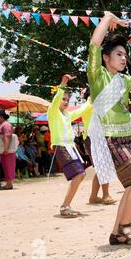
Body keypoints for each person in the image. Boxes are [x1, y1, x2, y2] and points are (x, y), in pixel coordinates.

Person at [88, 13, 131, 245]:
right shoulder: (97, 76)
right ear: (105, 58)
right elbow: (94, 44)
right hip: (112, 138)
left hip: (130, 136)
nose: (123, 58)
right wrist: (107, 18)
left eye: (125, 55)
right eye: (118, 54)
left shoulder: (124, 81)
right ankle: (126, 224)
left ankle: (117, 232)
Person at [48, 74, 91, 217]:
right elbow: (56, 100)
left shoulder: (67, 115)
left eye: (67, 99)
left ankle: (66, 205)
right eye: (63, 99)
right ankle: (65, 206)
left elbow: (82, 110)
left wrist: (91, 98)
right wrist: (63, 82)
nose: (66, 102)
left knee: (81, 175)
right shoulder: (53, 111)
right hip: (61, 146)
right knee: (79, 174)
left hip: (70, 147)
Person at [0, 110, 17, 190]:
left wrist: (6, 149)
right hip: (4, 148)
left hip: (7, 149)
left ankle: (9, 184)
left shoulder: (6, 125)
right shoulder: (3, 124)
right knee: (5, 165)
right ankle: (8, 183)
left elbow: (7, 136)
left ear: (1, 117)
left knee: (8, 165)